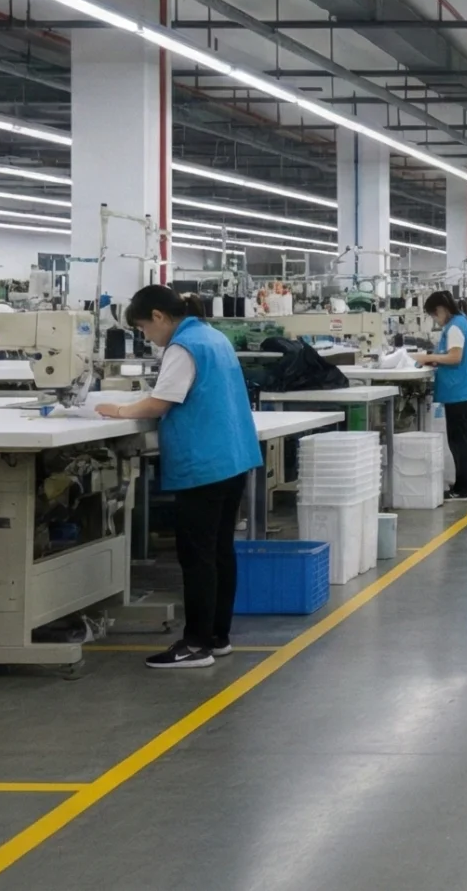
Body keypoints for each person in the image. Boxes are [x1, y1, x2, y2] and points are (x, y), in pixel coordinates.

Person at [101, 286, 261, 670]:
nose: (146, 338)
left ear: (158, 316)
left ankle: (195, 644)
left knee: (197, 556)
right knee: (220, 551)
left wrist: (117, 410)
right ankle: (217, 637)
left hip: (203, 464)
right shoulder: (213, 336)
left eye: (143, 329)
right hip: (232, 458)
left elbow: (161, 402)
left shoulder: (183, 346)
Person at [421, 290, 467, 503]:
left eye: (434, 315)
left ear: (441, 309)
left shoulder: (454, 326)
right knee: (465, 438)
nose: (435, 320)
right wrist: (436, 359)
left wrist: (426, 357)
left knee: (458, 440)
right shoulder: (462, 321)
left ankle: (462, 489)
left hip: (460, 391)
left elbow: (455, 357)